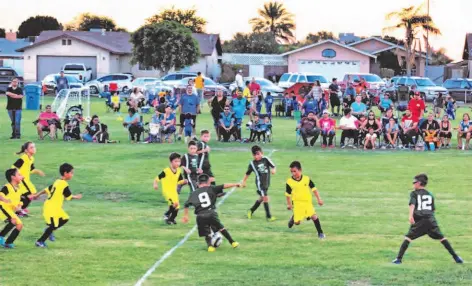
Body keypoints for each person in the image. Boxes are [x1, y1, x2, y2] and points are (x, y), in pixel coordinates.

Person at [392, 174, 463, 264]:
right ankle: (456, 258)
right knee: (442, 238)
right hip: (430, 220)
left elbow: (412, 204)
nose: (413, 184)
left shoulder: (414, 193)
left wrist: (410, 216)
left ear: (419, 183)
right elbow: (433, 209)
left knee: (408, 238)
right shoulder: (430, 194)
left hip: (420, 220)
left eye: (414, 182)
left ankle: (398, 259)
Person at [182, 174, 241, 252]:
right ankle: (233, 242)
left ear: (197, 183)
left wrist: (186, 216)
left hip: (200, 215)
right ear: (208, 182)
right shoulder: (211, 188)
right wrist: (235, 184)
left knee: (207, 232)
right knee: (221, 228)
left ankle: (210, 247)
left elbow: (186, 205)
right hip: (211, 213)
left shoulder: (194, 193)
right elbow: (224, 185)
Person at [32, 163, 83, 248]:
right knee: (54, 225)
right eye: (71, 173)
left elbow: (46, 189)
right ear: (66, 173)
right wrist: (76, 197)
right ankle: (40, 241)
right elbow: (68, 197)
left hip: (55, 207)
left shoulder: (57, 181)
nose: (72, 175)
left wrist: (37, 195)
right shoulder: (64, 184)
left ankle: (49, 230)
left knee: (65, 218)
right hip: (52, 207)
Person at [285, 161, 325, 239]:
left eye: (295, 171)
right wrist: (289, 204)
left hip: (307, 202)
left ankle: (320, 233)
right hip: (297, 203)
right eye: (291, 172)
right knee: (297, 223)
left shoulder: (307, 179)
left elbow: (314, 189)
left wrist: (319, 199)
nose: (293, 173)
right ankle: (293, 218)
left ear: (300, 170)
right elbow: (287, 194)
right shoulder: (289, 182)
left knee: (314, 216)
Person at [241, 145, 276, 222]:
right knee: (266, 198)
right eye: (255, 155)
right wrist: (244, 181)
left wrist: (273, 170)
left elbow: (273, 166)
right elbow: (247, 173)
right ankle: (269, 216)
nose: (257, 156)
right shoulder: (252, 164)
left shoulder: (266, 159)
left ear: (262, 153)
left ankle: (251, 210)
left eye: (258, 154)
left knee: (261, 198)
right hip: (260, 184)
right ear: (252, 155)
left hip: (267, 183)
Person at [153, 153, 187, 225]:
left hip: (173, 191)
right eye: (176, 161)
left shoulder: (178, 171)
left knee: (177, 207)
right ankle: (167, 216)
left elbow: (179, 181)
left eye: (179, 161)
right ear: (171, 162)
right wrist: (155, 184)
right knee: (175, 204)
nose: (178, 163)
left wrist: (184, 181)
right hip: (167, 191)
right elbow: (157, 178)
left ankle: (171, 218)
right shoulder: (166, 171)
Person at [12, 142, 45, 216]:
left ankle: (18, 208)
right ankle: (18, 210)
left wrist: (37, 171)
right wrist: (18, 176)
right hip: (22, 180)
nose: (34, 149)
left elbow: (31, 169)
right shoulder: (23, 158)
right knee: (31, 195)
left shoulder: (31, 158)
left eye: (34, 147)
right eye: (31, 147)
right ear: (26, 150)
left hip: (26, 180)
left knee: (29, 195)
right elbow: (13, 167)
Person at [0, 168, 24, 248]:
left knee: (19, 225)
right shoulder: (7, 187)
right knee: (13, 221)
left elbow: (19, 200)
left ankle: (8, 242)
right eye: (19, 175)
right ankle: (1, 237)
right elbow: (1, 195)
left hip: (9, 209)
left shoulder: (18, 188)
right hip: (2, 207)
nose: (22, 176)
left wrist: (19, 207)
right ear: (13, 177)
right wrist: (5, 199)